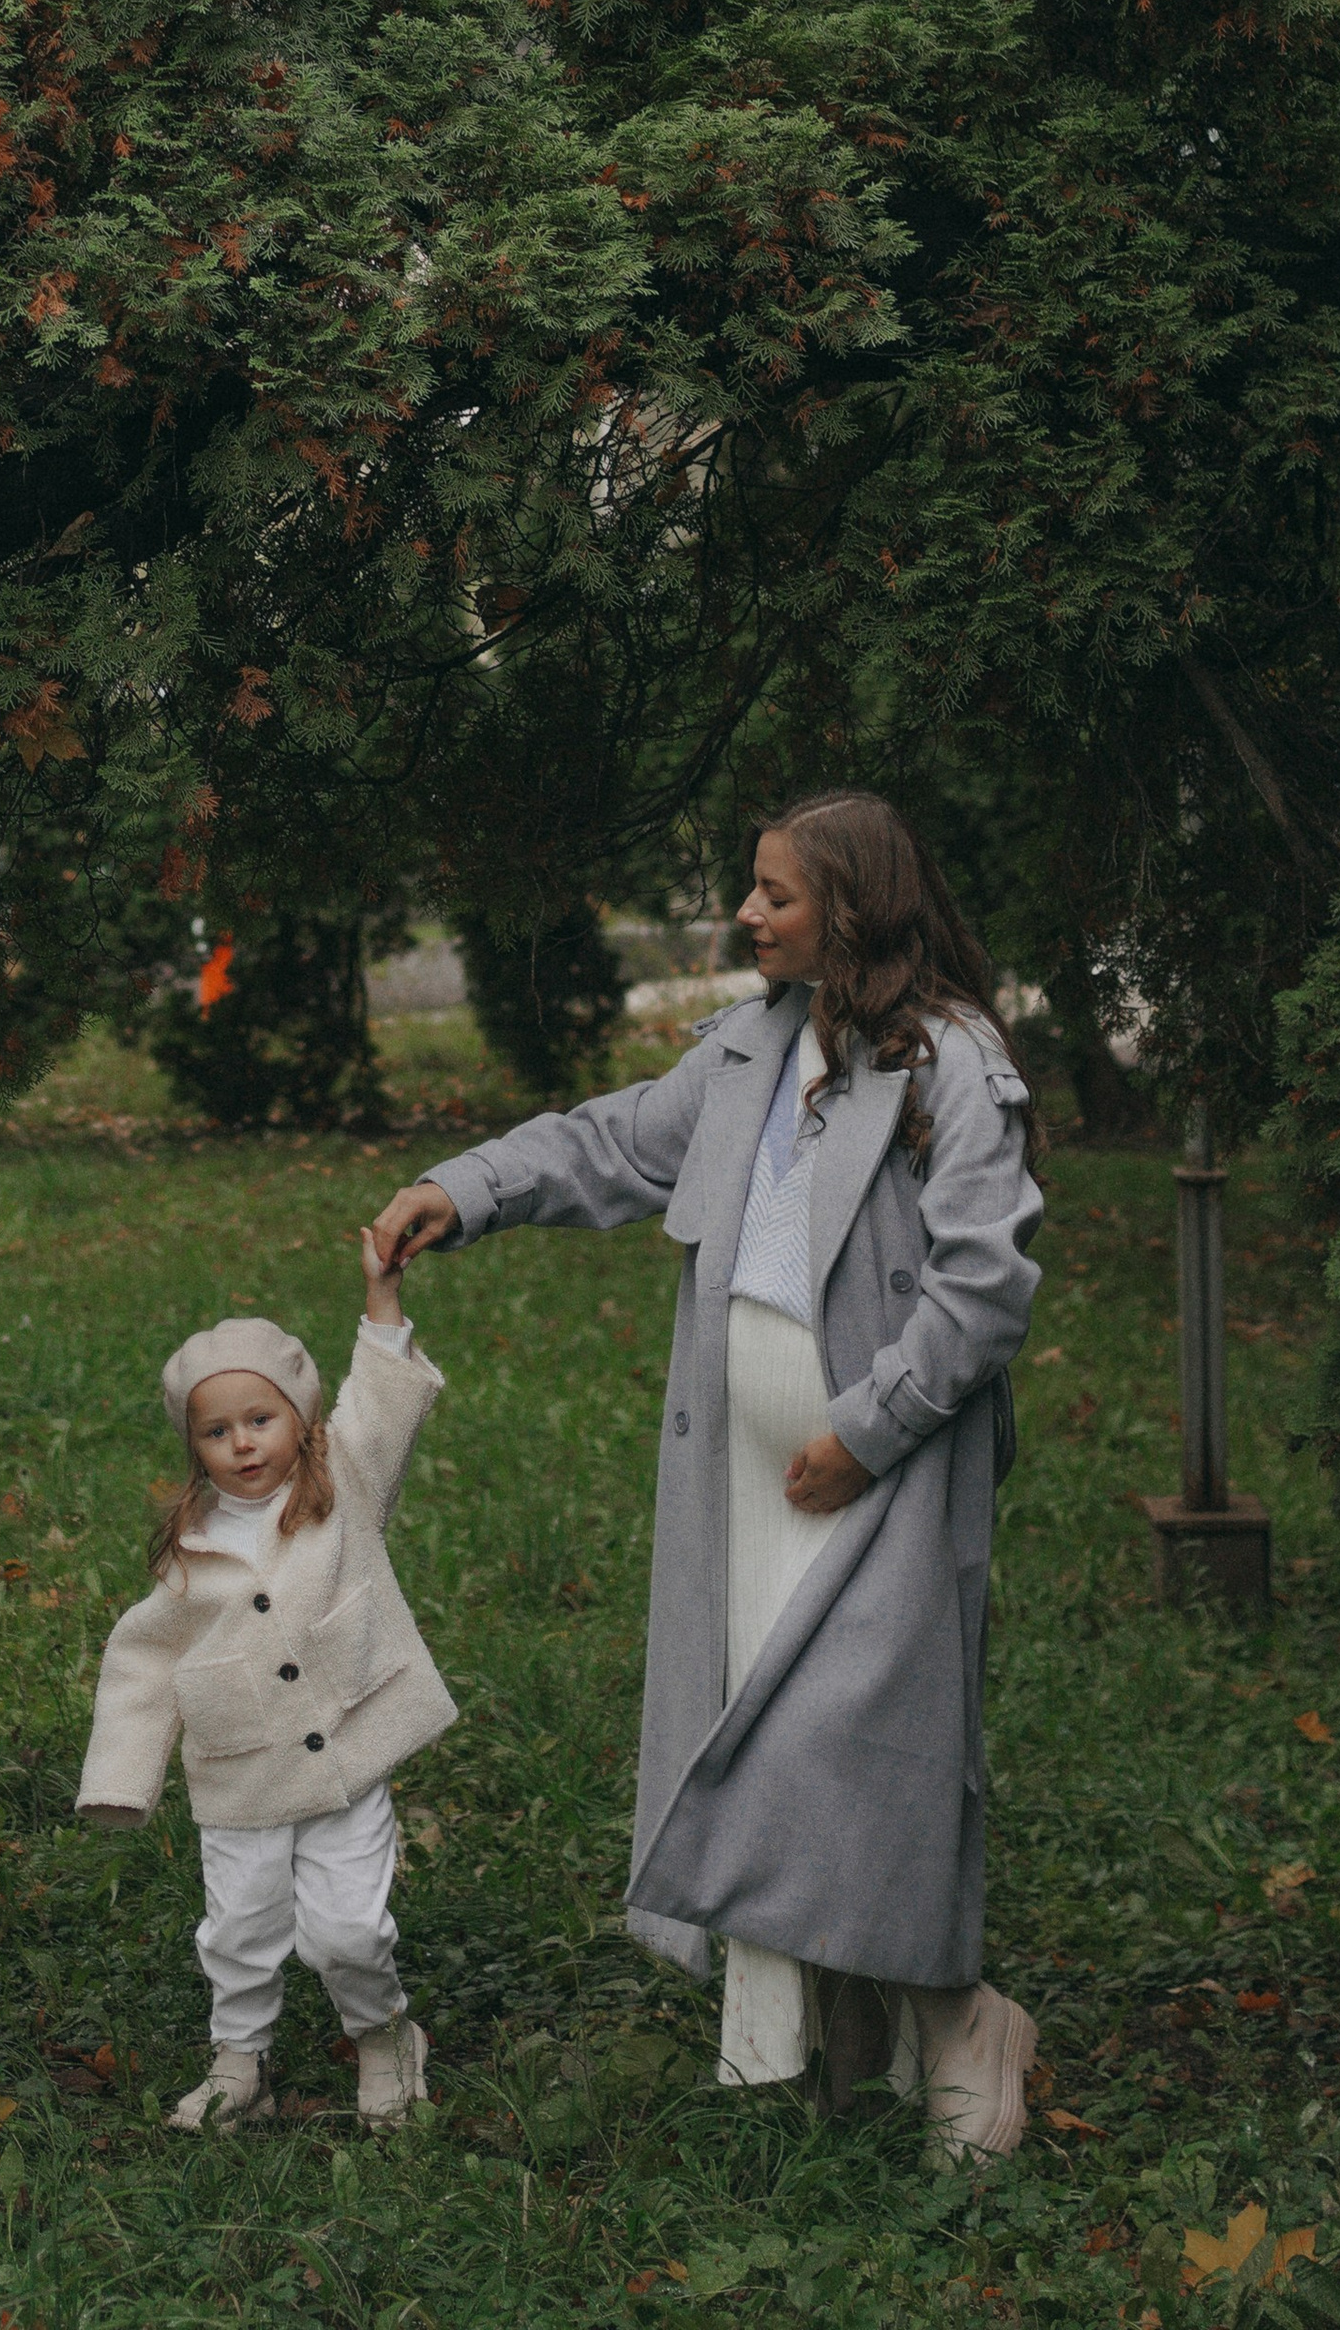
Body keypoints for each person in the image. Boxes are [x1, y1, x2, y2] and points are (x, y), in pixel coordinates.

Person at [371, 788, 1045, 2154]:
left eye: (777, 895)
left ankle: (964, 2016)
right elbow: (613, 1143)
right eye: (753, 889)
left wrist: (862, 1434)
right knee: (772, 1744)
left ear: (854, 907)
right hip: (744, 1483)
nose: (749, 915)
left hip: (885, 1473)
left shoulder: (955, 1063)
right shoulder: (754, 1051)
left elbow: (984, 1283)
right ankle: (853, 2037)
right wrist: (472, 1187)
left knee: (859, 1750)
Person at [75, 1225, 452, 2132]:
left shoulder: (344, 1481)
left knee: (345, 1931)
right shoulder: (190, 1549)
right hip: (239, 1767)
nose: (243, 1444)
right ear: (193, 1447)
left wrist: (382, 1297)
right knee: (239, 1930)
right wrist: (122, 1780)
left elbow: (387, 1401)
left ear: (301, 1416)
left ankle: (384, 2035)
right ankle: (240, 2062)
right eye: (216, 1430)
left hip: (343, 1759)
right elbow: (143, 1658)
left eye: (260, 1418)